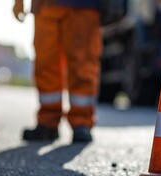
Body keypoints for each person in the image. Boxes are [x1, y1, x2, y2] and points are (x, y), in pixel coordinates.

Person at [13, 0, 102, 142]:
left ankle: (82, 122)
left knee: (82, 66)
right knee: (46, 64)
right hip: (46, 6)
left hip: (83, 6)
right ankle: (48, 122)